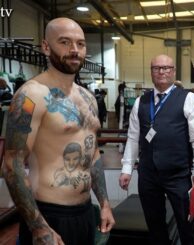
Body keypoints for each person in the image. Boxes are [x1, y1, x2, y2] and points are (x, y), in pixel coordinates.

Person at [1, 17, 115, 245]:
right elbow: (11, 164)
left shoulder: (88, 98)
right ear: (46, 47)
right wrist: (39, 227)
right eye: (65, 42)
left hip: (84, 213)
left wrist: (104, 203)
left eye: (80, 44)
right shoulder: (30, 96)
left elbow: (92, 155)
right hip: (48, 215)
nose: (74, 50)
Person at [119, 54, 194, 245]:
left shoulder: (188, 98)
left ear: (173, 71)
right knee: (155, 226)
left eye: (166, 68)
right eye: (156, 68)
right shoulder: (140, 102)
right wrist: (127, 168)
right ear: (151, 72)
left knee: (187, 225)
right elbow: (133, 137)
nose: (161, 71)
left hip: (178, 174)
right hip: (148, 174)